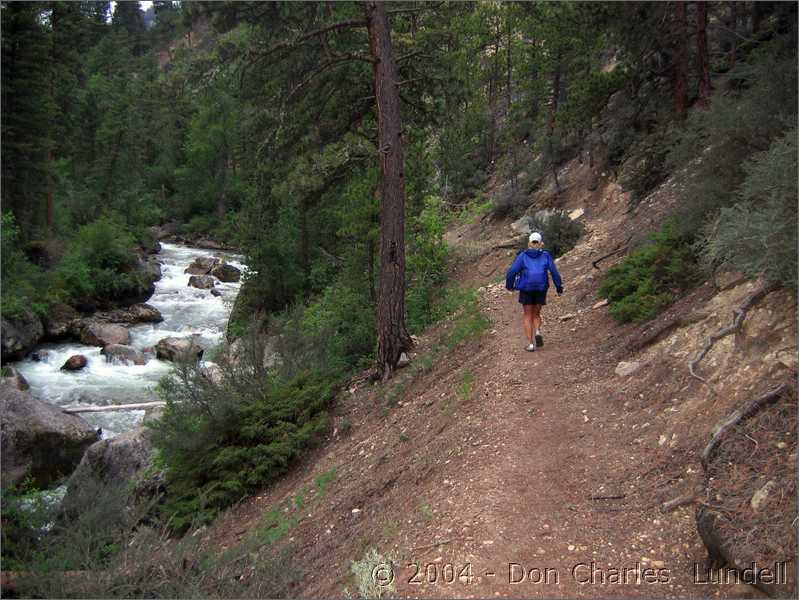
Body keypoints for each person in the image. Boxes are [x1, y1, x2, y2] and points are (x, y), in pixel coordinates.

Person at [505, 231, 563, 352]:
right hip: (541, 288)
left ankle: (531, 344)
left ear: (529, 243)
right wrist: (559, 287)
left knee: (527, 315)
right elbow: (554, 272)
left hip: (526, 289)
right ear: (541, 244)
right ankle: (537, 331)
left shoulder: (523, 256)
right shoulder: (546, 255)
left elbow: (511, 272)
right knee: (536, 314)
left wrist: (509, 286)